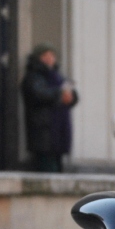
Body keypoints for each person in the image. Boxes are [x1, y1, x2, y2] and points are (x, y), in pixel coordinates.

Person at [21, 44, 79, 173]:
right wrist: (59, 94)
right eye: (45, 56)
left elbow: (72, 94)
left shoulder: (58, 76)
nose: (49, 59)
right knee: (46, 165)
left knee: (57, 166)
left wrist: (71, 97)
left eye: (52, 56)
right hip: (43, 130)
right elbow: (38, 94)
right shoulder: (33, 77)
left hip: (58, 131)